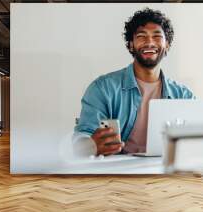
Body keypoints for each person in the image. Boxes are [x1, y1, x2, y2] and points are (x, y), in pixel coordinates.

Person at [73, 8, 194, 157]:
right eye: (141, 36)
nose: (149, 42)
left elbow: (195, 141)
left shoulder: (184, 96)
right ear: (131, 45)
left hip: (165, 172)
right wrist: (90, 145)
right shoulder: (103, 88)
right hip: (117, 174)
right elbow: (81, 136)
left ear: (167, 45)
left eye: (157, 36)